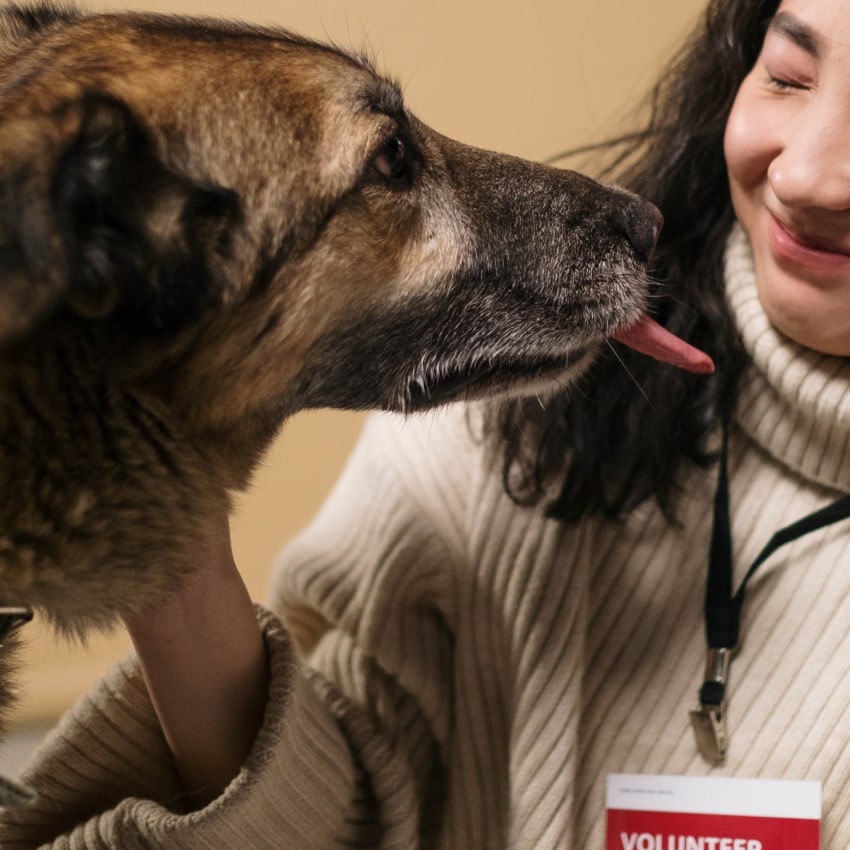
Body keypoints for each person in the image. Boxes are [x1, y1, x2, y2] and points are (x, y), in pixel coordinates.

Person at [3, 0, 850, 845]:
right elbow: (347, 818)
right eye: (787, 73)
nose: (808, 176)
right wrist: (156, 497)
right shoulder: (500, 438)